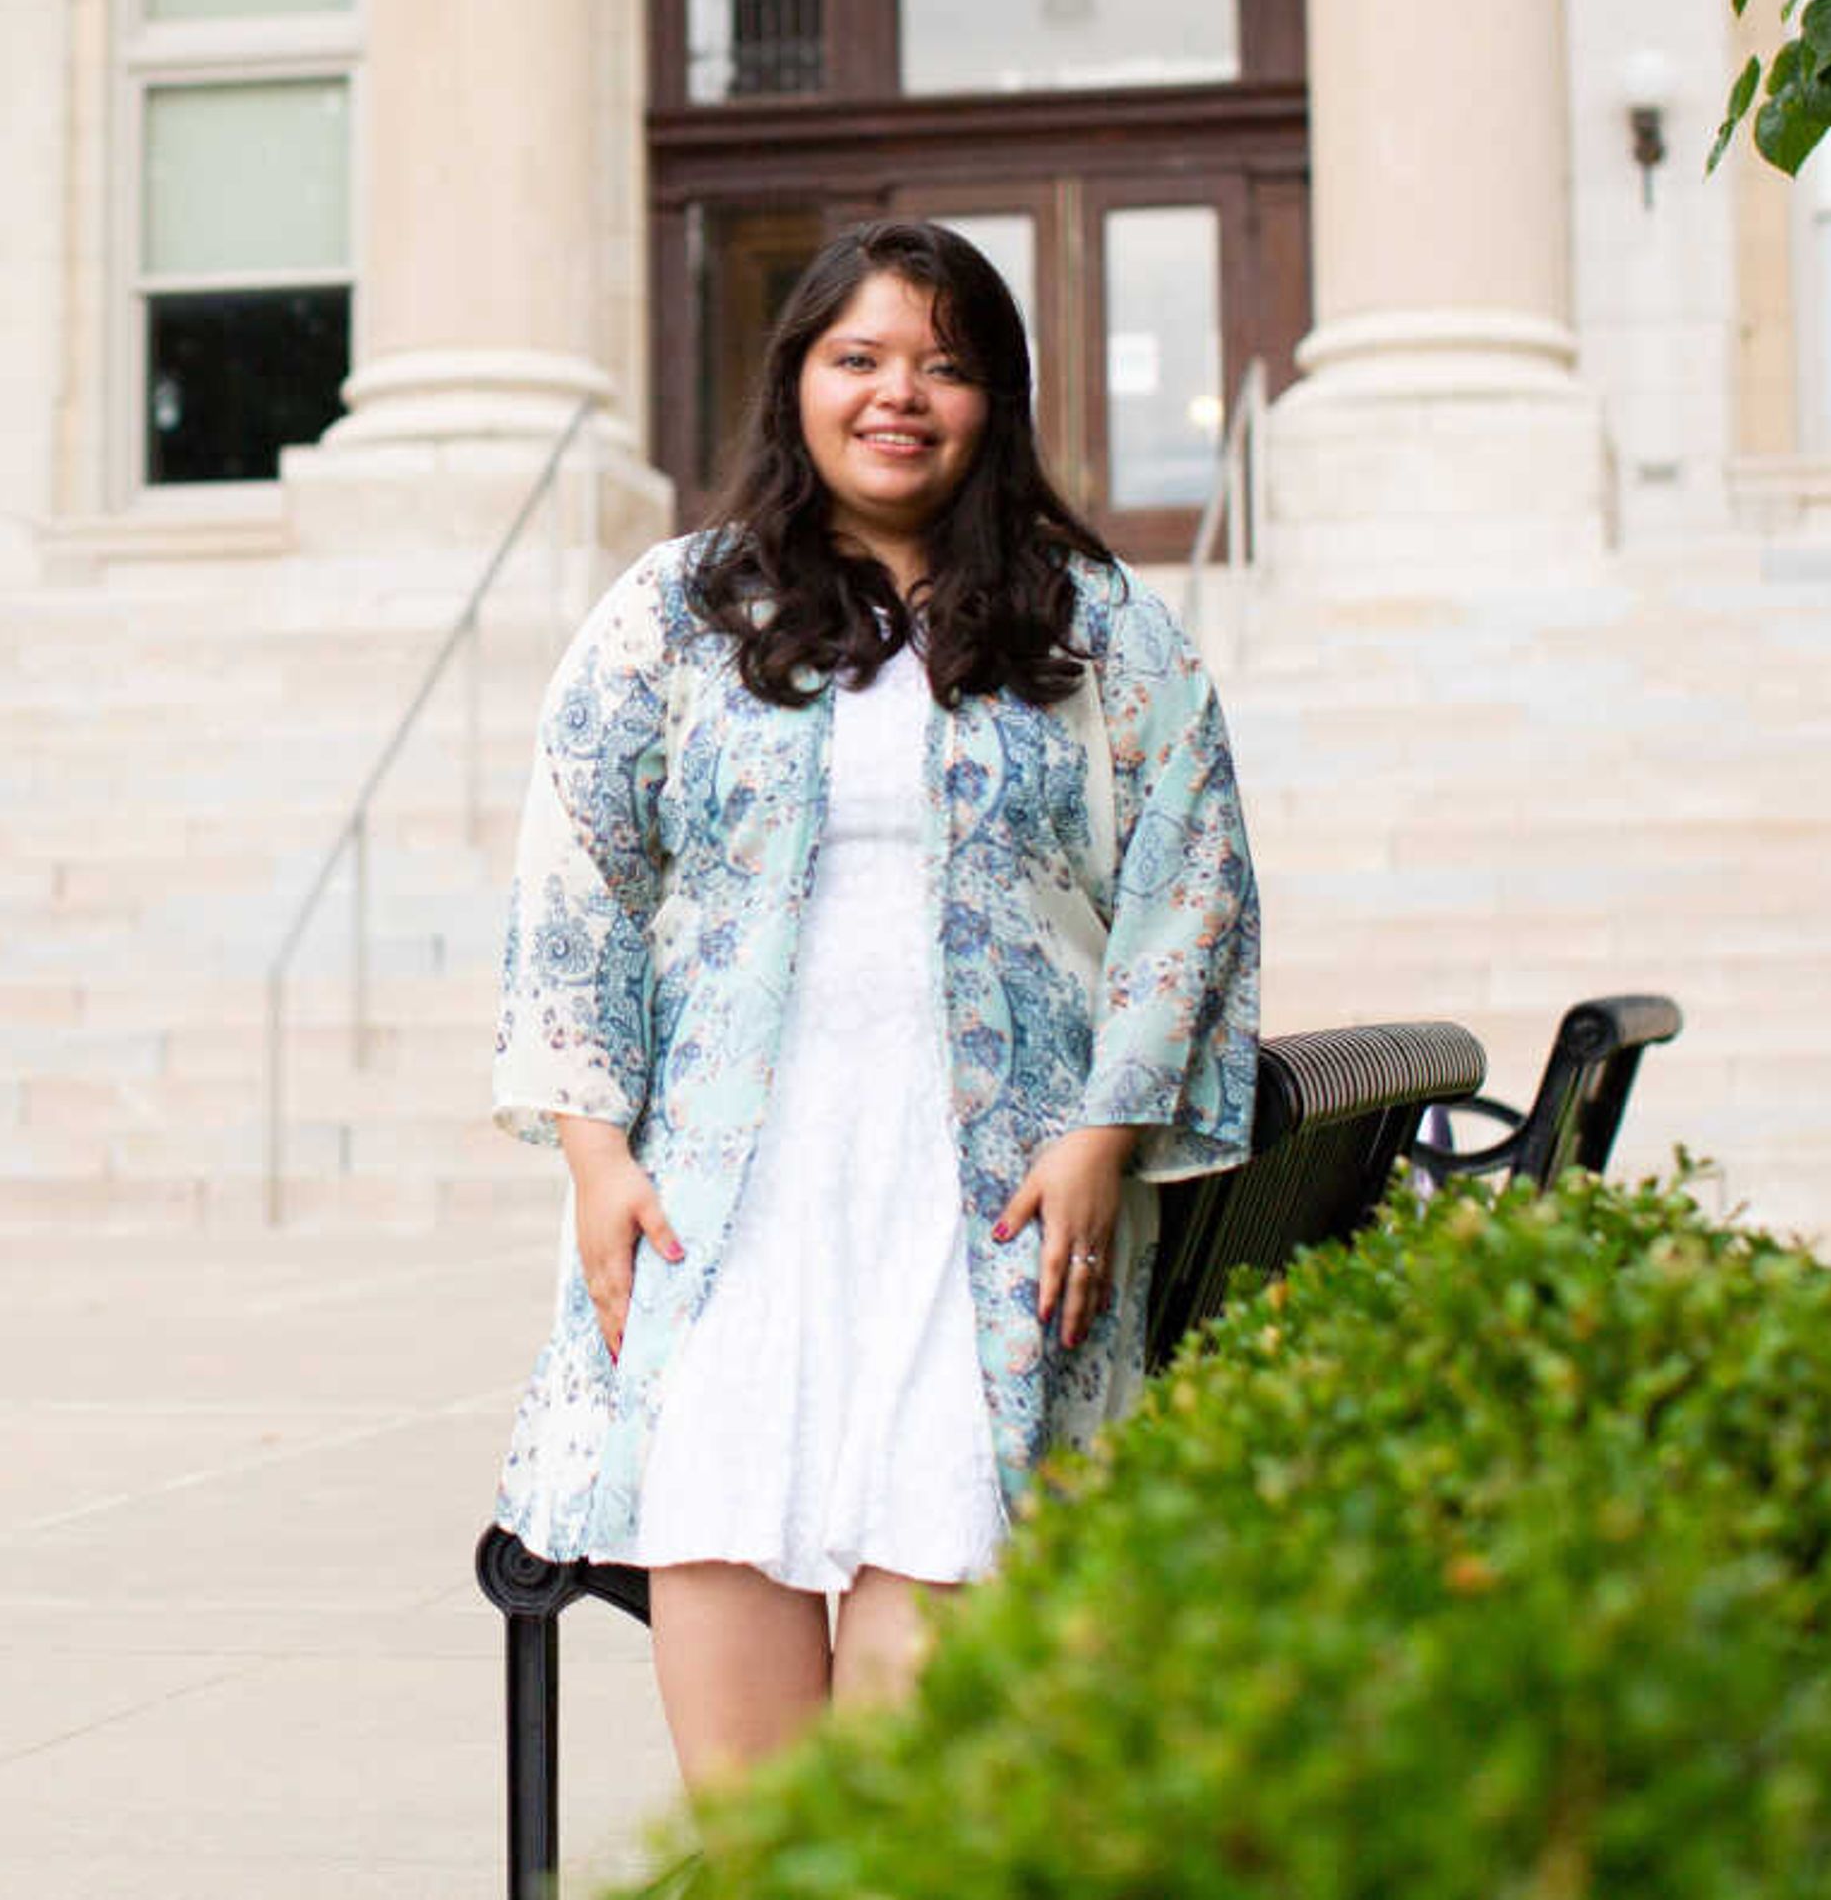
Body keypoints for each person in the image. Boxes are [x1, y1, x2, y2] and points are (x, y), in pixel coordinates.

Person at [487, 218, 1260, 1786]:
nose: (899, 394)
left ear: (998, 402)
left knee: (913, 1804)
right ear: (800, 385)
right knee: (764, 1817)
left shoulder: (1091, 626)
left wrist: (1110, 1127)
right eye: (861, 358)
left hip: (980, 1223)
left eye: (947, 364)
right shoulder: (677, 611)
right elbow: (577, 873)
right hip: (729, 1217)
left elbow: (1195, 882)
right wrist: (594, 1153)